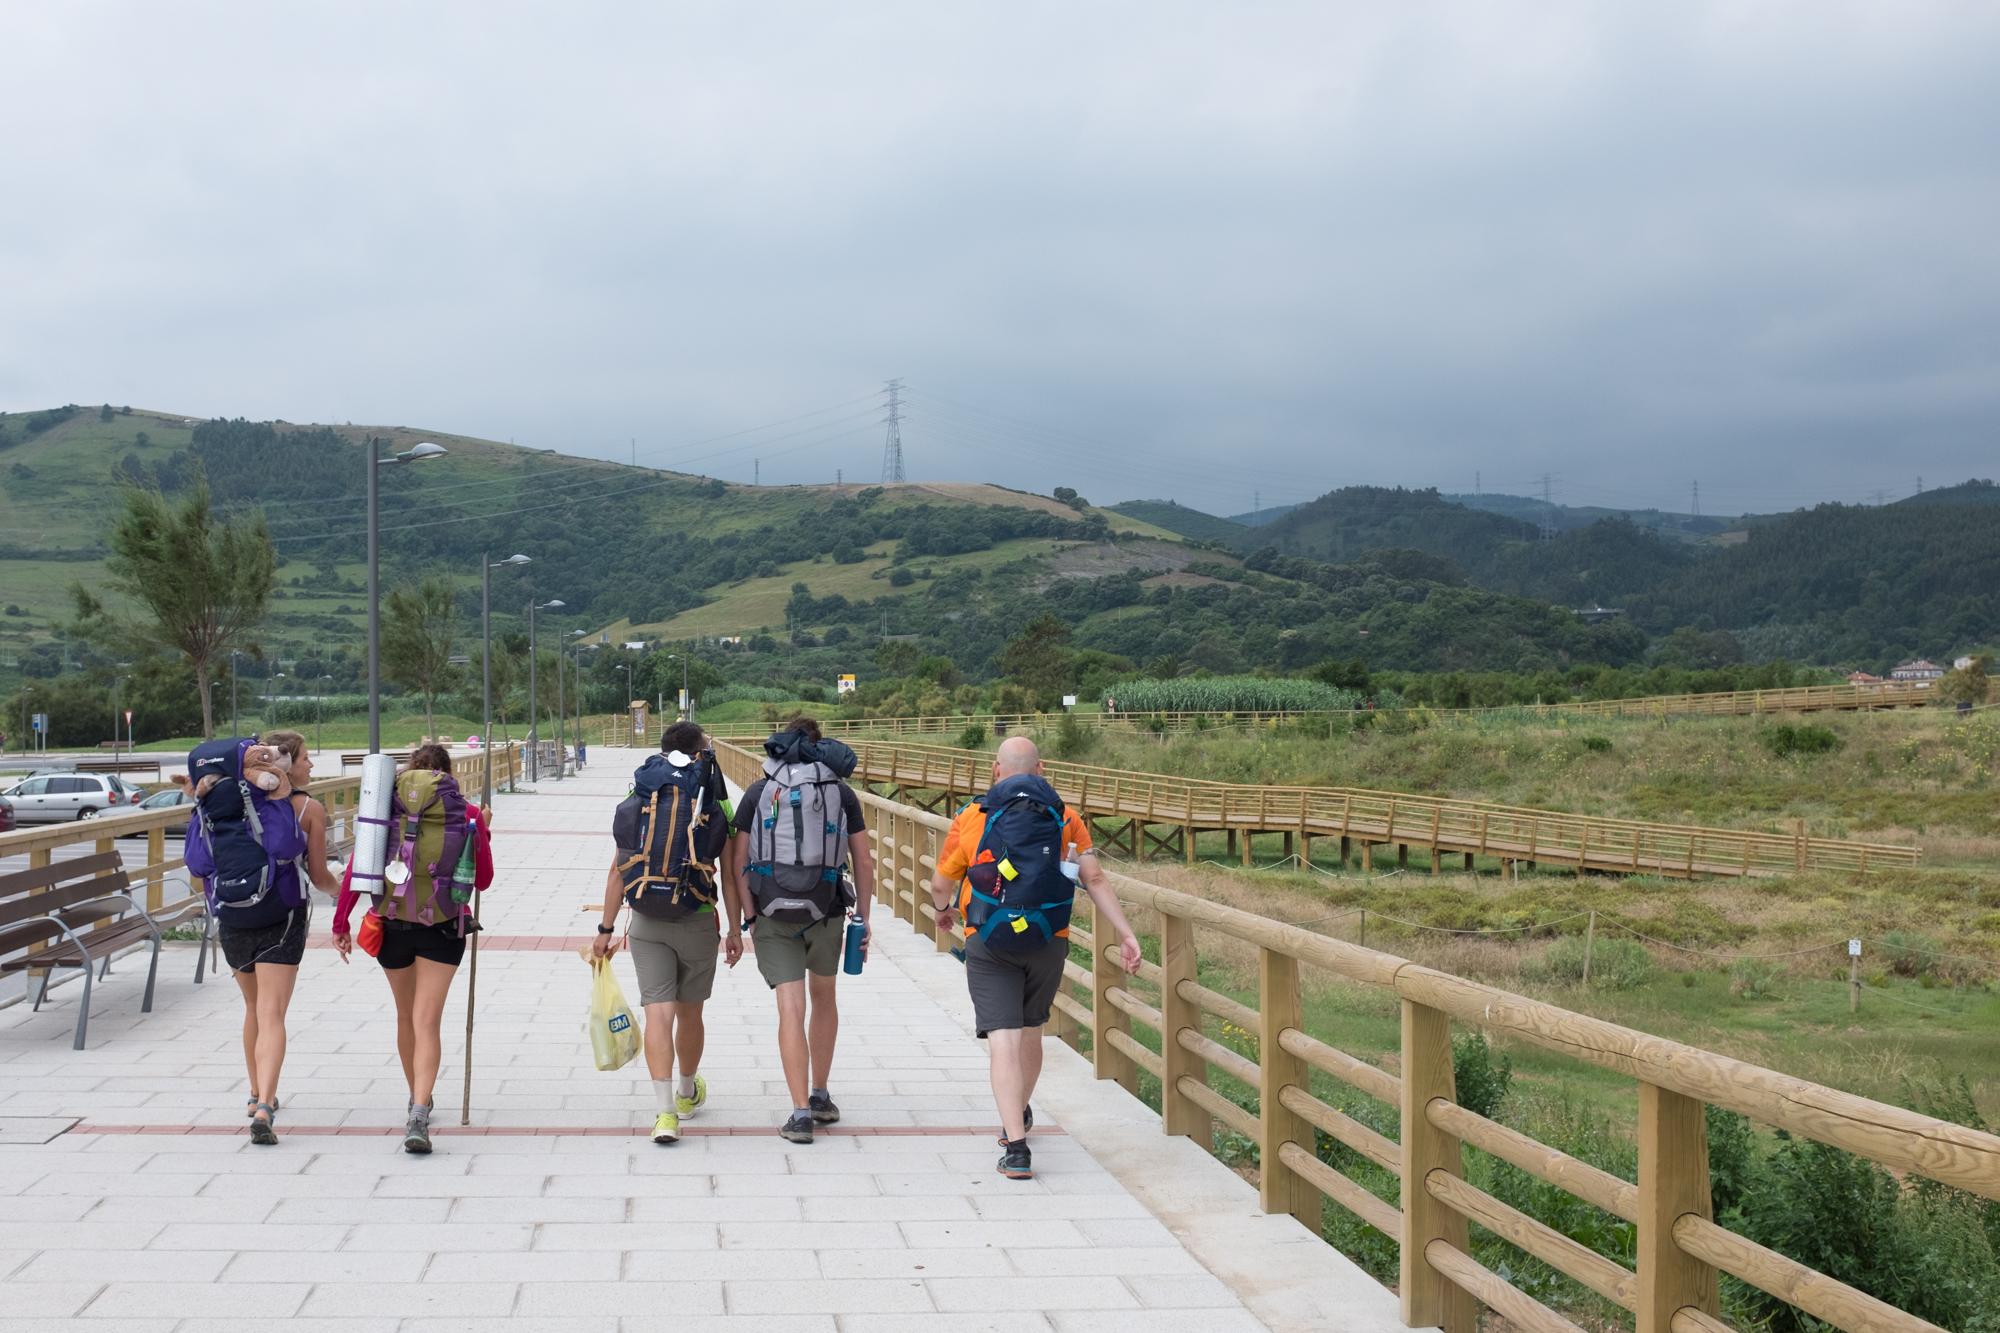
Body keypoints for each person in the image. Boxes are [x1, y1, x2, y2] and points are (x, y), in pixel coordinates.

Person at [930, 736, 1141, 1180]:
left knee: (1002, 1040)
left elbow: (941, 882)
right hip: (1048, 939)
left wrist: (943, 910)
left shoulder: (972, 815)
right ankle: (1021, 1108)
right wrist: (1126, 933)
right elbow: (1094, 878)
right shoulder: (1065, 816)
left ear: (996, 769)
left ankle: (1016, 1148)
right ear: (1041, 769)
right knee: (1031, 1031)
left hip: (989, 938)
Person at [332, 743, 492, 1153]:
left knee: (405, 1016)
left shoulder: (384, 811)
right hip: (443, 927)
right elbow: (483, 880)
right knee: (427, 1020)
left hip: (392, 926)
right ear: (448, 776)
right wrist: (483, 832)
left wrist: (340, 922)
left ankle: (416, 1096)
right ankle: (420, 1111)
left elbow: (356, 871)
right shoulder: (467, 814)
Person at [724, 717, 873, 1144]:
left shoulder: (759, 790)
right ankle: (820, 1094)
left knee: (791, 1009)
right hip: (826, 910)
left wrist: (749, 916)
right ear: (818, 747)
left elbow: (737, 862)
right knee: (824, 998)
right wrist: (863, 917)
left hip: (772, 913)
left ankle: (800, 1114)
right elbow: (863, 861)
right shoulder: (840, 792)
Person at [591, 721, 738, 1144]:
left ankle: (665, 1114)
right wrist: (734, 929)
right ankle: (687, 1093)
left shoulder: (641, 793)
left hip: (646, 921)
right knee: (690, 1013)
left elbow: (619, 868)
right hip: (697, 919)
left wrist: (605, 929)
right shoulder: (715, 801)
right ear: (699, 753)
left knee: (658, 1012)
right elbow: (729, 875)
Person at [184, 736, 317, 1145]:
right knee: (272, 1013)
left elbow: (197, 864)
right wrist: (278, 802)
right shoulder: (271, 800)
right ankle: (265, 1106)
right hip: (279, 913)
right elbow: (287, 845)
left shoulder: (207, 809)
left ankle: (256, 1092)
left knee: (252, 1008)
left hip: (233, 918)